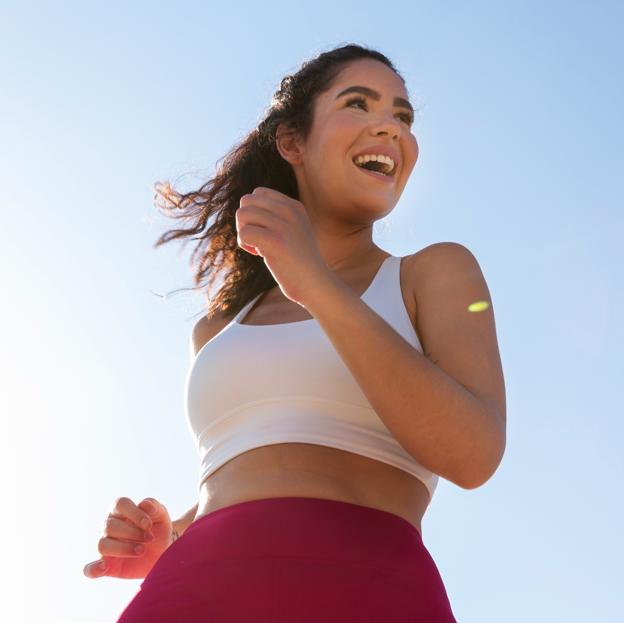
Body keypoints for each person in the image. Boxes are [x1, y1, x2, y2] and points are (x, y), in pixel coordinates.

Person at [83, 43, 506, 621]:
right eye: (358, 103)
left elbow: (473, 453)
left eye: (403, 117)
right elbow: (249, 472)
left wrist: (316, 284)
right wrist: (170, 539)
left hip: (368, 589)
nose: (389, 127)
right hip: (189, 590)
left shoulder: (433, 273)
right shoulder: (217, 328)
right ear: (292, 142)